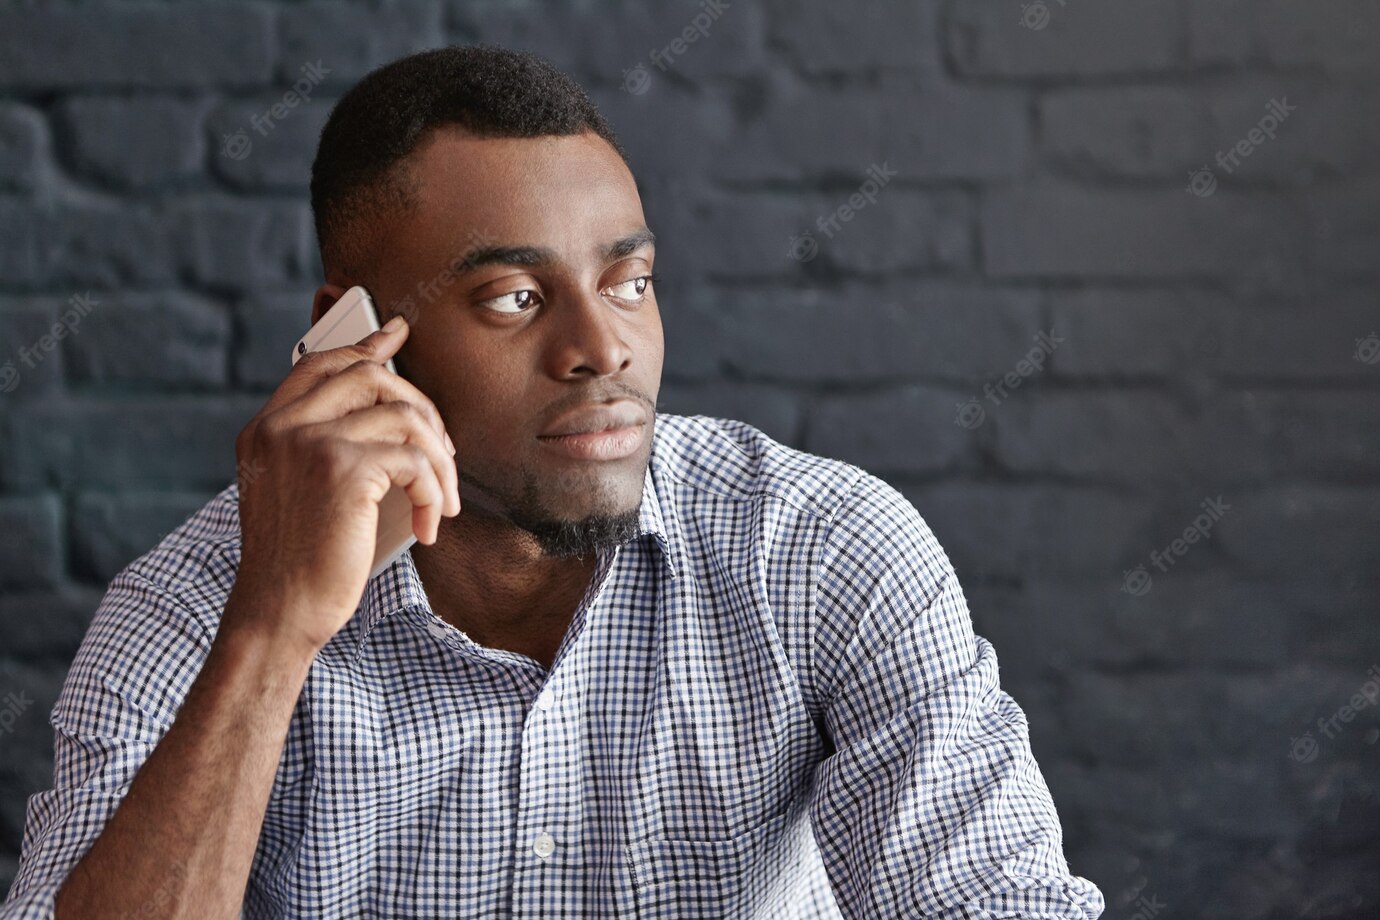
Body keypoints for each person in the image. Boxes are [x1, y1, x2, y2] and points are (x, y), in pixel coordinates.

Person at [1, 45, 1104, 919]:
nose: (603, 347)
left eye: (628, 281)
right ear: (353, 332)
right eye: (515, 298)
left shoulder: (820, 550)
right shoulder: (194, 605)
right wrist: (273, 630)